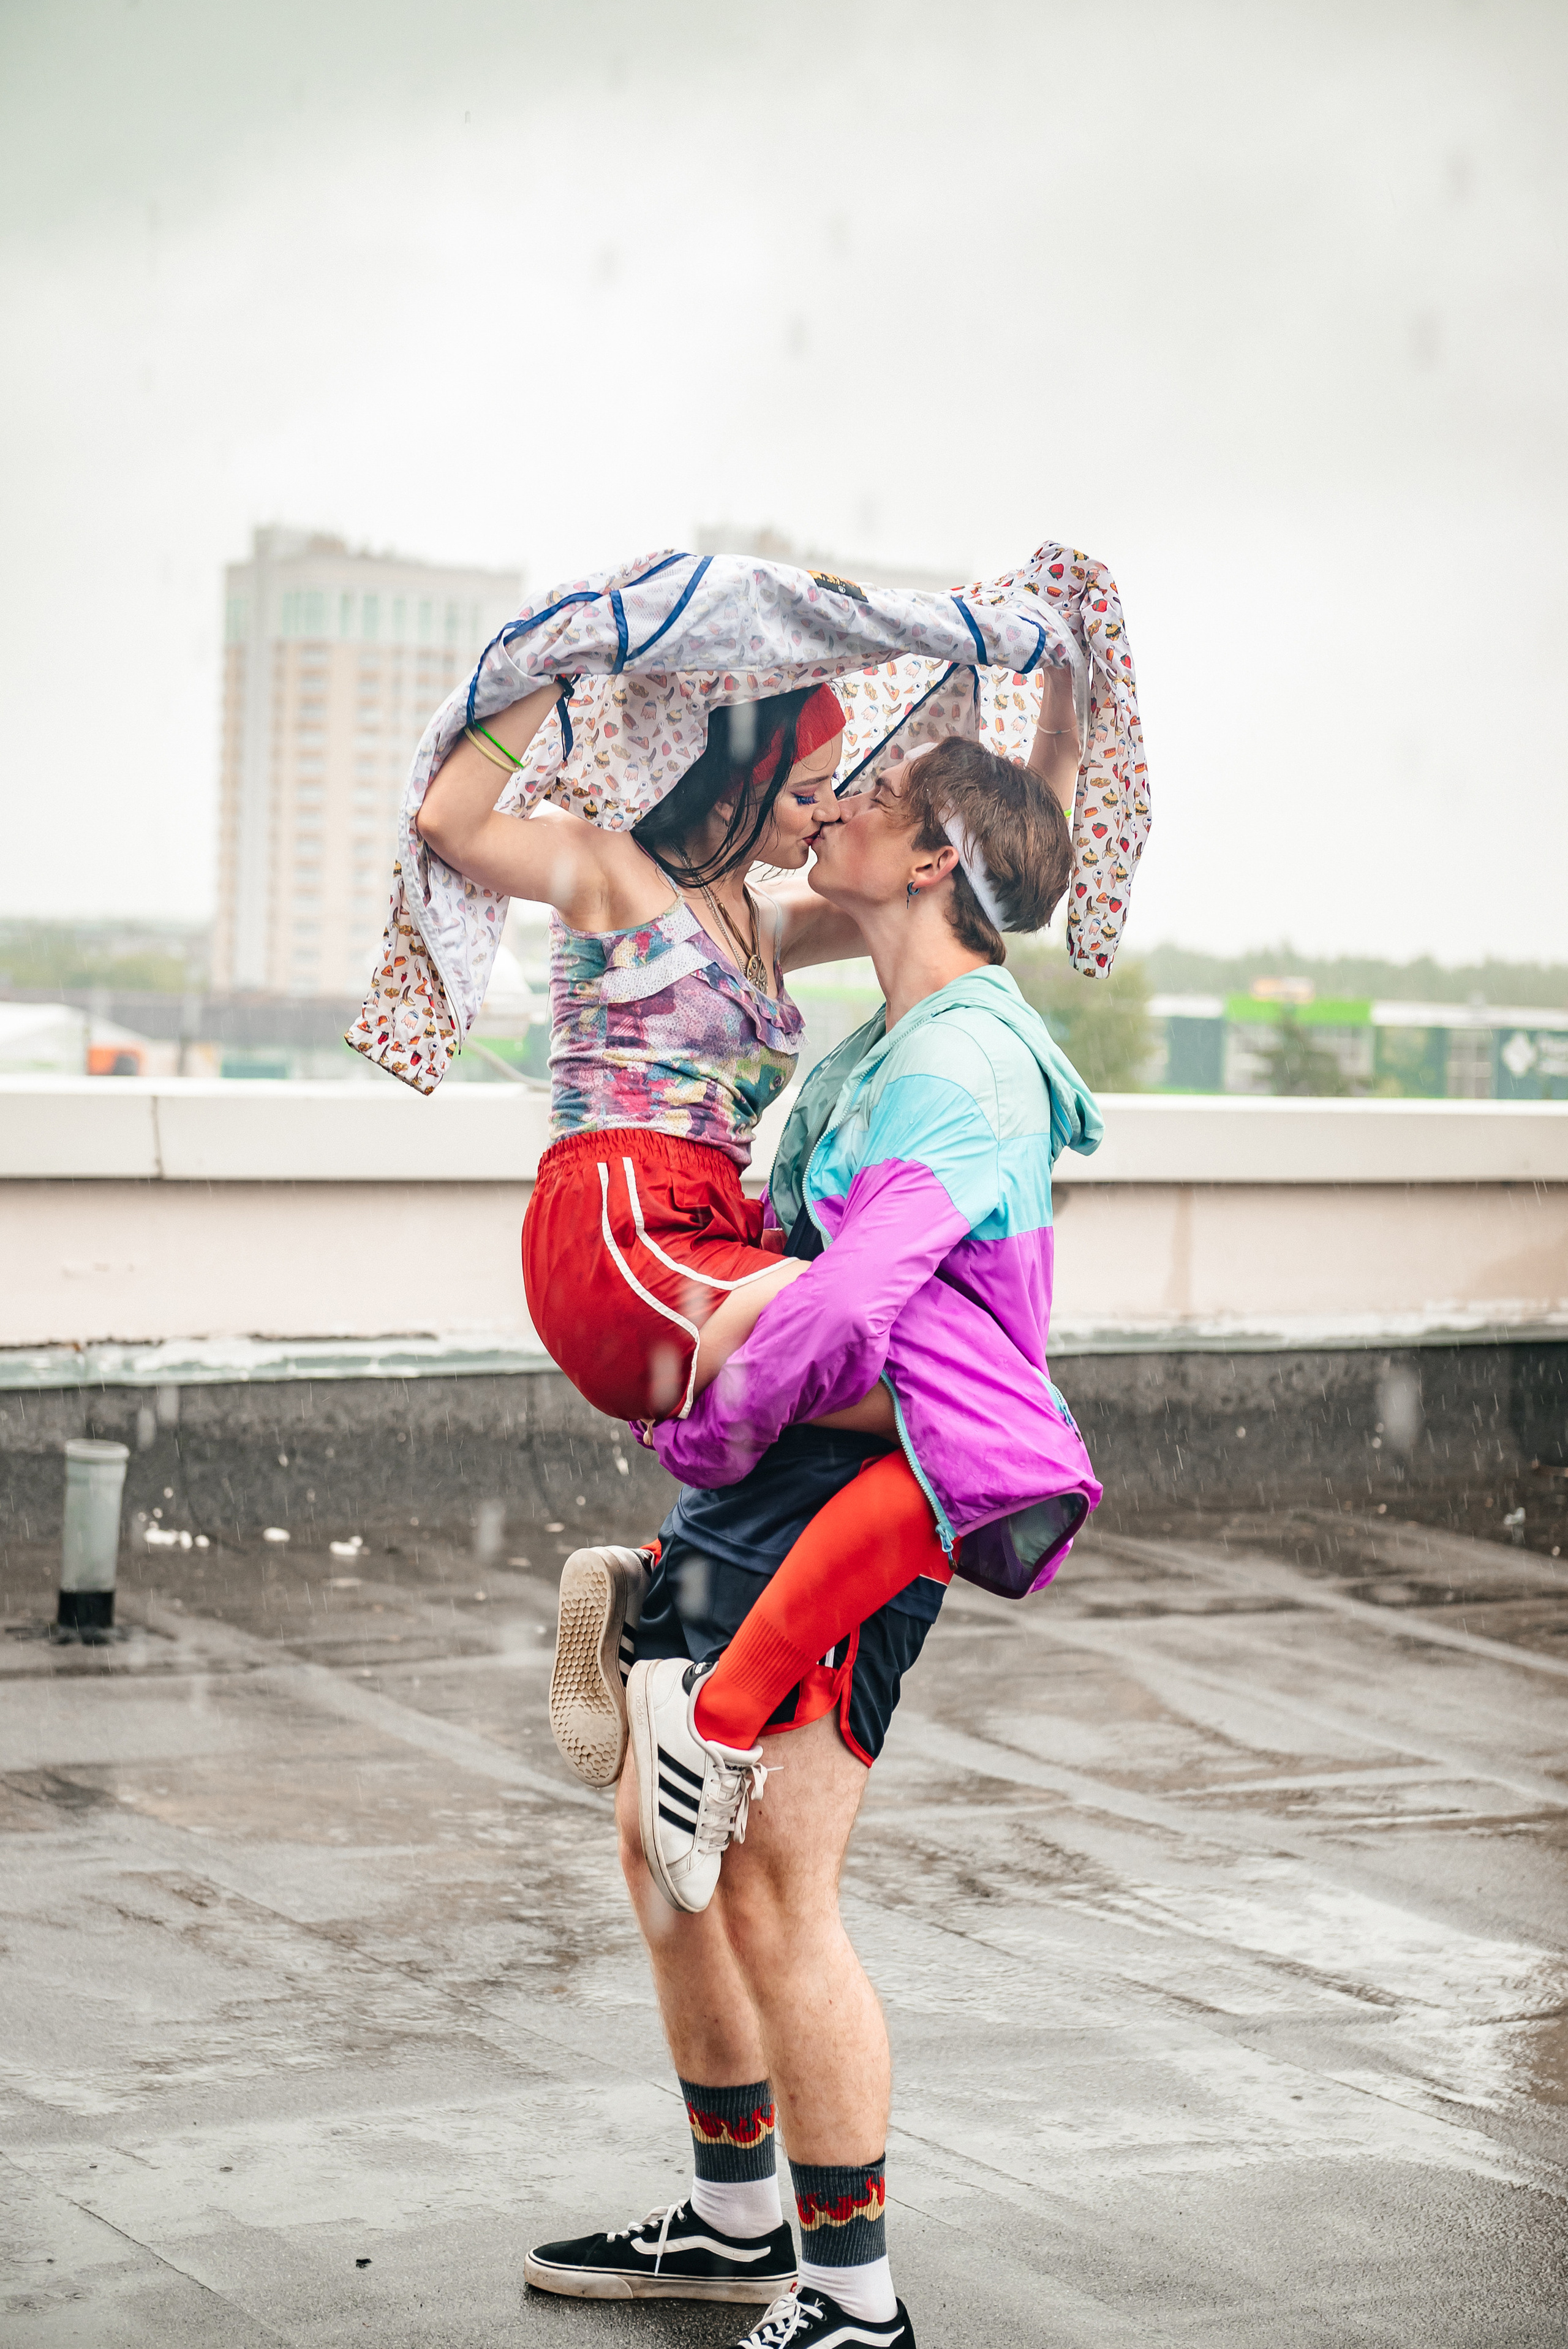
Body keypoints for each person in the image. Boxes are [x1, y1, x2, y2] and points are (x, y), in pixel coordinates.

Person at [523, 738, 1102, 2349]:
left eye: (871, 799)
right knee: (661, 1841)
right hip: (763, 1487)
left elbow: (855, 1305)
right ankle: (730, 2224)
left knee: (776, 1876)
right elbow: (958, 850)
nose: (832, 808)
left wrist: (694, 1418)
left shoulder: (962, 1067)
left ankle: (853, 2300)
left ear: (929, 864)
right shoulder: (898, 1028)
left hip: (855, 1491)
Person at [416, 669, 1085, 1798]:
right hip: (618, 1228)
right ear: (742, 774)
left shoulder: (761, 921)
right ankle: (709, 1708)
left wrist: (1061, 705)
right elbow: (450, 823)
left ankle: (656, 1578)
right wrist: (552, 661)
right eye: (809, 792)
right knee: (954, 1420)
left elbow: (983, 883)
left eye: (842, 794)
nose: (828, 813)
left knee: (936, 1420)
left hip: (700, 1227)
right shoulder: (616, 873)